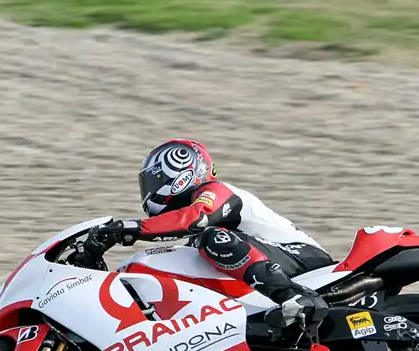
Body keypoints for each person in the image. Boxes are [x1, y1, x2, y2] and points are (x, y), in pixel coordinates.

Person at [93, 138, 333, 328]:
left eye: (155, 179)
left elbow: (196, 217)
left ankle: (294, 297)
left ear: (180, 172)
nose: (148, 190)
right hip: (274, 261)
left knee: (211, 239)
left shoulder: (215, 191)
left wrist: (131, 228)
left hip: (303, 259)